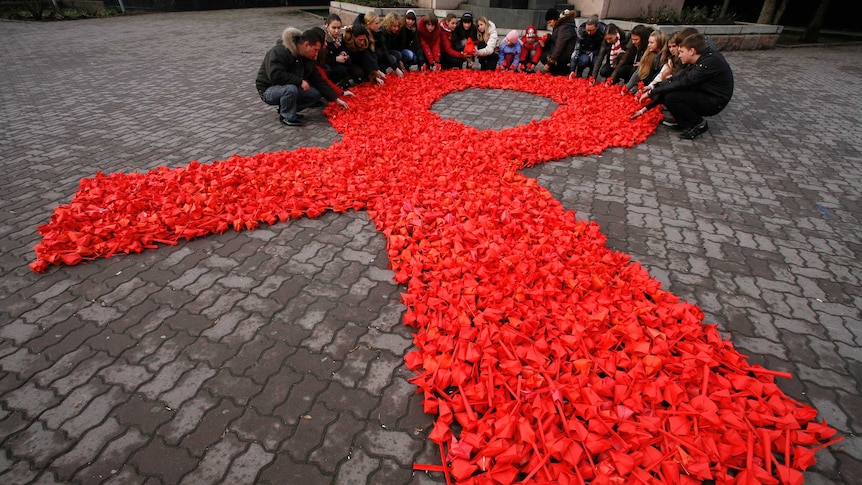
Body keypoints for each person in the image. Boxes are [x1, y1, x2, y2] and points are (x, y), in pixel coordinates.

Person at [630, 33, 734, 140]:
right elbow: (676, 79)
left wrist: (651, 93)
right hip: (706, 93)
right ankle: (683, 122)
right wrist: (648, 101)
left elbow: (681, 83)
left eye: (681, 52)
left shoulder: (707, 63)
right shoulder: (700, 59)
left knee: (672, 97)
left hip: (715, 101)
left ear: (692, 51)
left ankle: (699, 124)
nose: (679, 55)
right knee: (669, 93)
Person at [256, 27, 350, 126]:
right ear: (306, 45)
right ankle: (287, 116)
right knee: (290, 89)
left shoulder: (306, 57)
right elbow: (275, 74)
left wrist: (335, 98)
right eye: (315, 50)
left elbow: (318, 79)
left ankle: (289, 109)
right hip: (268, 89)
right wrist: (299, 81)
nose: (316, 54)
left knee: (315, 93)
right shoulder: (281, 51)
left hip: (287, 86)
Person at [542, 9, 577, 76]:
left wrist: (549, 63)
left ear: (555, 19)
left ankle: (563, 70)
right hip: (563, 52)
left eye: (550, 22)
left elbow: (559, 47)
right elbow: (555, 38)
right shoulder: (560, 25)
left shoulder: (564, 27)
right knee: (544, 49)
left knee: (544, 57)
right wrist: (548, 38)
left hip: (565, 54)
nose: (550, 24)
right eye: (548, 23)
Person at [321, 14, 351, 87]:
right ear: (327, 26)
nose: (336, 31)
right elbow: (322, 59)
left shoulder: (339, 38)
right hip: (327, 65)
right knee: (341, 69)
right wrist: (335, 59)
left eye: (339, 28)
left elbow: (343, 48)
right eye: (333, 28)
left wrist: (343, 53)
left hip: (336, 62)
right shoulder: (323, 39)